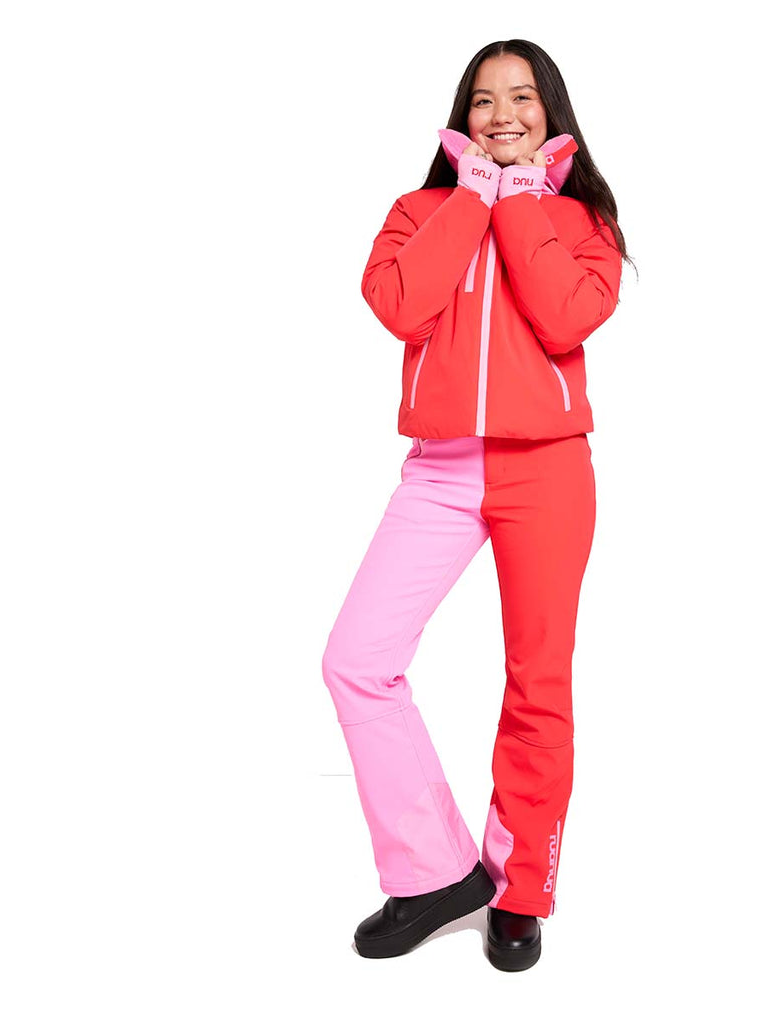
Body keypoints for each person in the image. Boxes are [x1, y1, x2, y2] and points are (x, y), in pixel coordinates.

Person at [321, 38, 631, 971]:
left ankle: (519, 888)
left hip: (549, 473)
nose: (504, 115)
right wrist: (472, 200)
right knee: (356, 660)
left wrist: (523, 201)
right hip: (441, 472)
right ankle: (435, 872)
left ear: (552, 114)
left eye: (523, 97)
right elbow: (400, 307)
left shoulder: (583, 220)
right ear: (462, 119)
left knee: (538, 683)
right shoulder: (420, 211)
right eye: (485, 99)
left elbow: (566, 316)